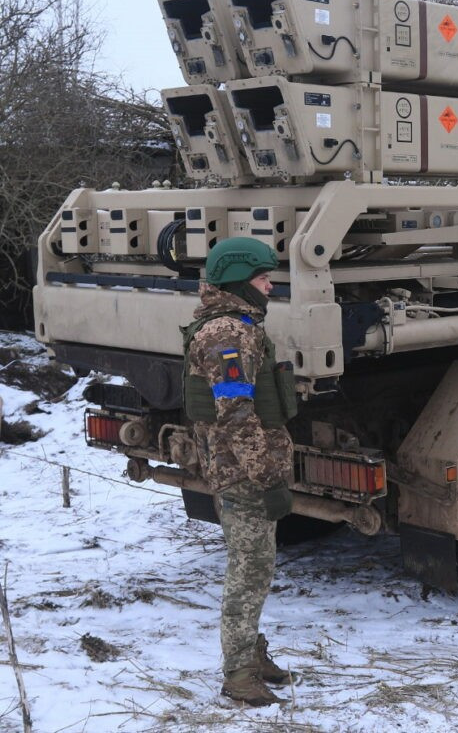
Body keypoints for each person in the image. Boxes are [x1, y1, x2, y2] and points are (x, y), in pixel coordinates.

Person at [182, 237, 299, 707]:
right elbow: (235, 414)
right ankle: (239, 674)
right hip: (243, 473)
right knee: (249, 572)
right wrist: (266, 475)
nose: (270, 286)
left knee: (257, 567)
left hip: (240, 468)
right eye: (263, 278)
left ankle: (250, 653)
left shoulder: (236, 326)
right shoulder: (228, 334)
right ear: (238, 281)